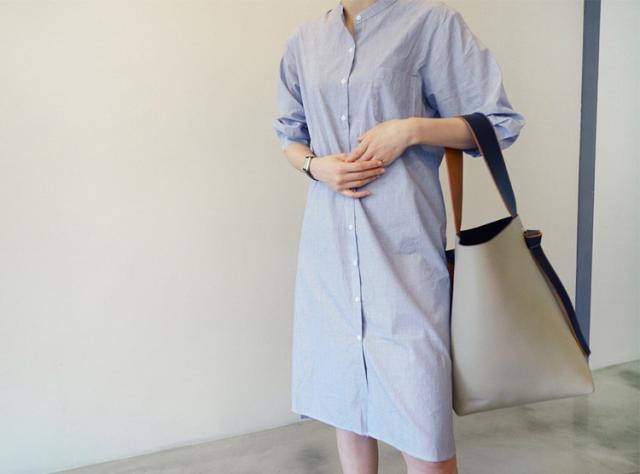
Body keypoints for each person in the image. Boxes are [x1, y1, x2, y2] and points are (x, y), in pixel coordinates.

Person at [272, 0, 526, 473]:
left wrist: (410, 130)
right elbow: (290, 134)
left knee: (424, 430)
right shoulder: (305, 41)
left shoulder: (430, 22)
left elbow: (499, 123)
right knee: (348, 412)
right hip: (330, 254)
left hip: (404, 255)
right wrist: (315, 166)